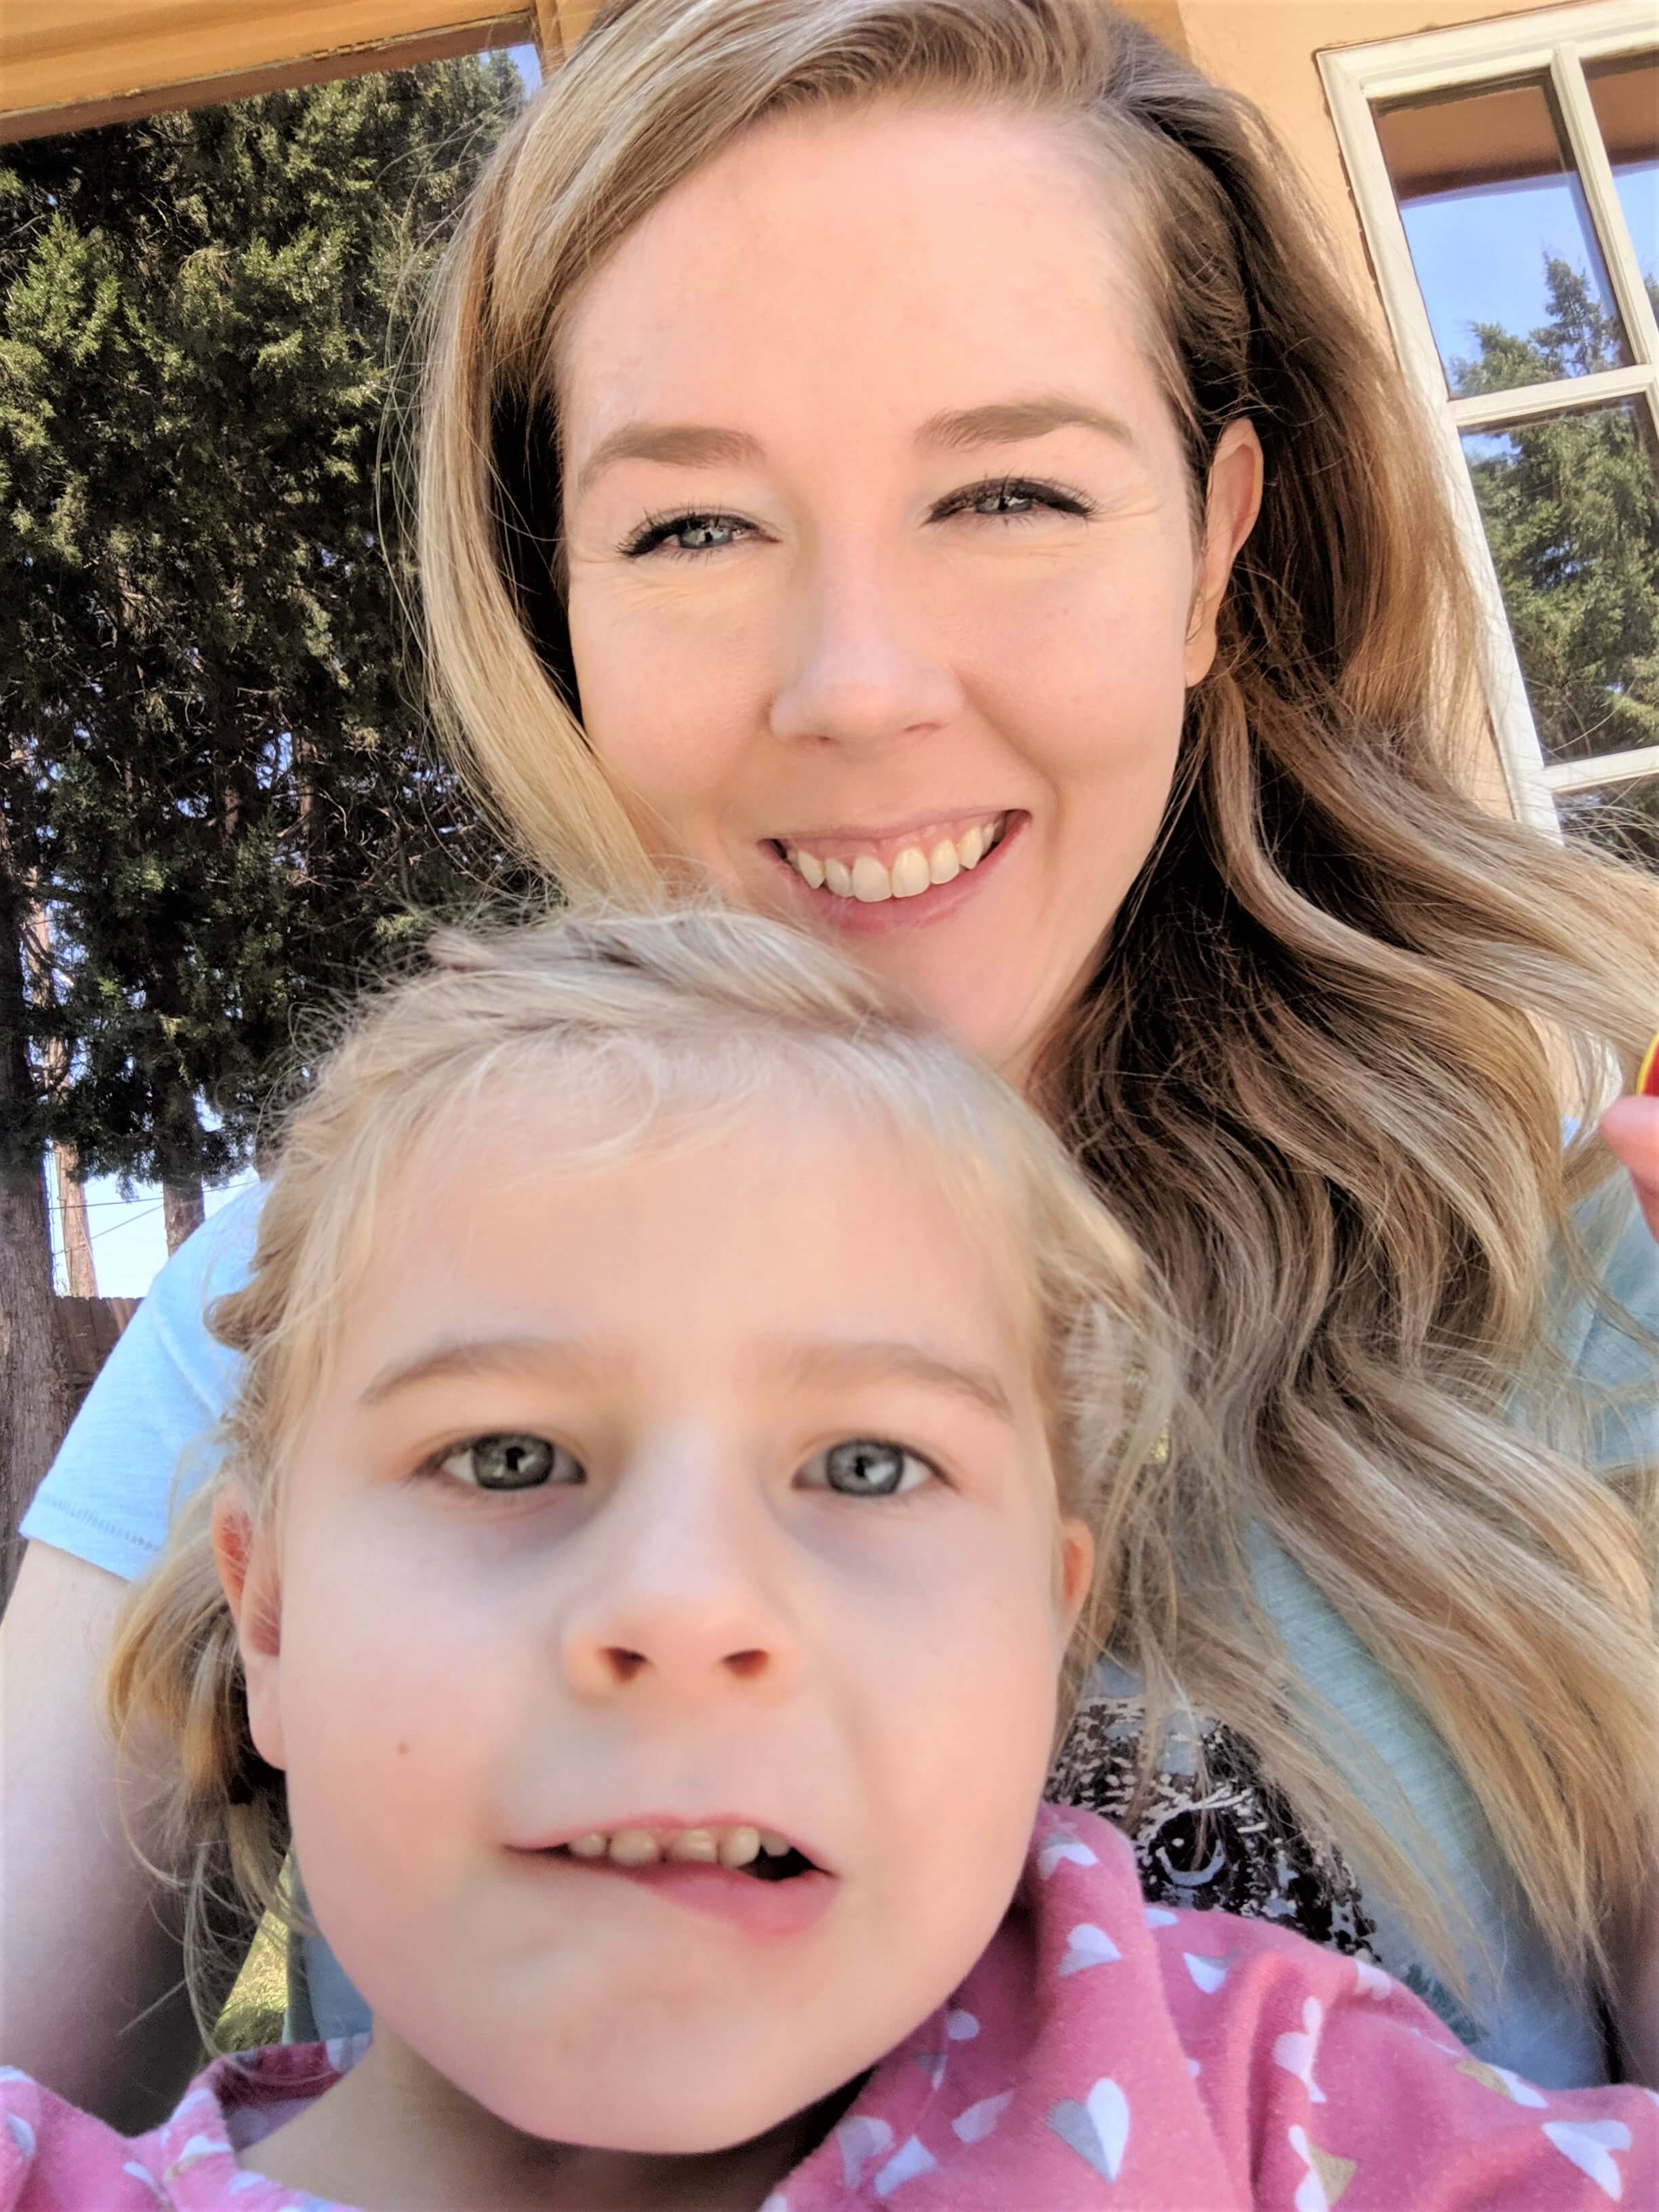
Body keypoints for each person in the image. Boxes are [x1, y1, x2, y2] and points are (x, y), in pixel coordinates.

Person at [5, 0, 1657, 2126]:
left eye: (1009, 493)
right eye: (695, 528)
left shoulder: (1571, 1276)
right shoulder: (312, 1307)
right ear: (557, 599)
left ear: (1212, 547)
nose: (857, 688)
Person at [3, 903, 1656, 2212]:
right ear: (271, 1617)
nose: (686, 1603)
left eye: (869, 1466)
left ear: (1046, 1635)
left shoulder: (1262, 2100)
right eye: (508, 1458)